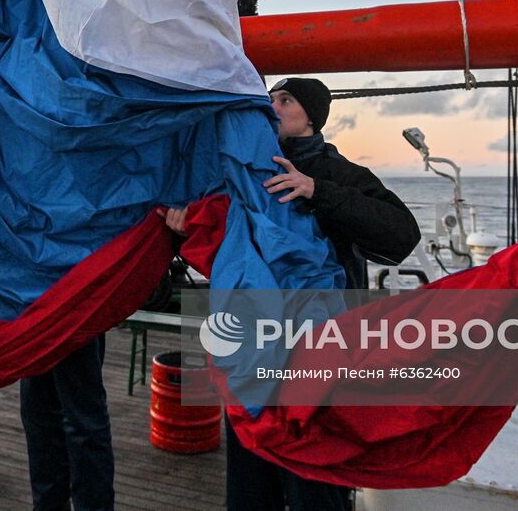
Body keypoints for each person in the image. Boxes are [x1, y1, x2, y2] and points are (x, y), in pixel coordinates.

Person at [164, 76, 420, 511]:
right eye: (269, 99)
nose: (273, 107)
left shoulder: (338, 172)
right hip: (251, 346)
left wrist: (316, 190)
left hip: (322, 352)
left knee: (313, 479)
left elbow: (401, 235)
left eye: (286, 100)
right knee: (250, 477)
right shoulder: (240, 173)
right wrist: (189, 225)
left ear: (312, 118)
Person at [19, 335, 114, 511]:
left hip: (75, 323)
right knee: (38, 412)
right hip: (32, 324)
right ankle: (48, 506)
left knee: (83, 420)